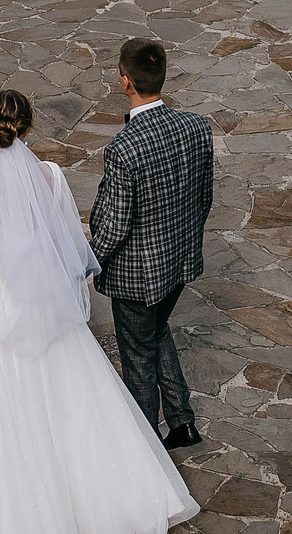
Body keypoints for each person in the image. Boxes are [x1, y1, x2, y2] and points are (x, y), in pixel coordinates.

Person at [0, 89, 198, 534]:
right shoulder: (53, 177)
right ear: (29, 127)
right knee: (70, 400)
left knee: (15, 409)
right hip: (49, 312)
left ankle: (31, 514)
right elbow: (70, 252)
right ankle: (102, 501)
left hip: (3, 309)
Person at [87, 37, 216, 449]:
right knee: (157, 331)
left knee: (138, 358)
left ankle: (146, 451)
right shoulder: (196, 127)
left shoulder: (124, 148)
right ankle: (182, 422)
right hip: (179, 265)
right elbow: (204, 197)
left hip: (137, 279)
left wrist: (86, 262)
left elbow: (114, 225)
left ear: (125, 81)